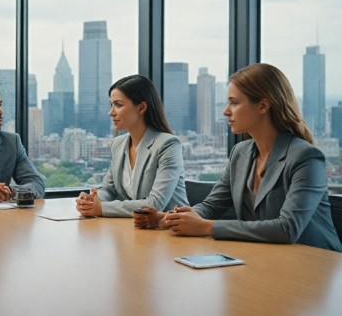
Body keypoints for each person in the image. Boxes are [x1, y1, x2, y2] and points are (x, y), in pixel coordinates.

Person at [133, 63, 342, 252]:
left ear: (262, 106)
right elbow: (212, 206)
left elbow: (287, 228)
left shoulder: (306, 157)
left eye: (234, 102)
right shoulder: (240, 153)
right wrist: (171, 219)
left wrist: (206, 227)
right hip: (265, 258)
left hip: (315, 266)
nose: (225, 111)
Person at [75, 75, 188, 217]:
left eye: (118, 105)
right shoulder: (118, 144)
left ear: (141, 108)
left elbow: (155, 204)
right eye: (111, 105)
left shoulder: (168, 145)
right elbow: (109, 189)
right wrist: (92, 201)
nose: (111, 112)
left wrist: (101, 208)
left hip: (170, 231)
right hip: (136, 229)